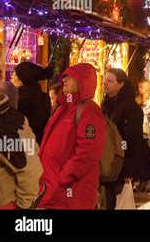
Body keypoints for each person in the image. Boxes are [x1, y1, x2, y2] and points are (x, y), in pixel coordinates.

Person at [38, 63, 107, 209]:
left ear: (82, 82)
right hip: (51, 188)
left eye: (70, 77)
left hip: (70, 192)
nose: (64, 80)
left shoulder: (89, 111)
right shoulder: (62, 107)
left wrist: (64, 178)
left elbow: (88, 152)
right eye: (64, 77)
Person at [0, 67, 43, 209]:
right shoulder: (11, 115)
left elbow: (30, 168)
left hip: (5, 203)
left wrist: (24, 205)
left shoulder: (4, 125)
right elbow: (32, 149)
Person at [101, 68, 144, 210]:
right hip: (107, 162)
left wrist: (129, 171)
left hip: (121, 165)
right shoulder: (107, 104)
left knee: (118, 202)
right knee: (109, 202)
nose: (104, 83)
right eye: (105, 80)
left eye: (110, 81)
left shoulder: (130, 108)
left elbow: (134, 140)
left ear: (121, 84)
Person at [11, 62, 52, 145]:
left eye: (14, 74)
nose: (11, 76)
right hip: (39, 147)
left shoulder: (17, 100)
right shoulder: (44, 97)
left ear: (21, 79)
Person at [135, 78, 150, 192]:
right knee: (140, 158)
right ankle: (142, 181)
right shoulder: (137, 100)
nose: (139, 89)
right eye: (138, 87)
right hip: (139, 132)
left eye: (141, 87)